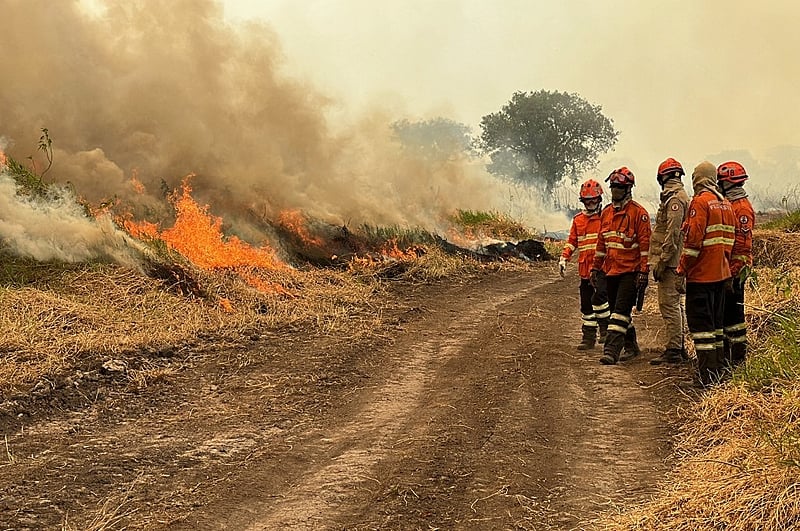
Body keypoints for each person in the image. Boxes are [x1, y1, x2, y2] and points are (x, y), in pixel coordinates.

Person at [676, 161, 735, 387]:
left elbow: (692, 242)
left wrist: (682, 269)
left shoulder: (700, 203)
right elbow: (730, 242)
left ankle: (706, 377)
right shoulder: (726, 204)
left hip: (701, 276)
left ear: (698, 178)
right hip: (721, 275)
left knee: (702, 330)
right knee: (717, 328)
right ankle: (719, 372)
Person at [591, 167, 651, 365]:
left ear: (628, 189)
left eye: (620, 187)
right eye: (613, 186)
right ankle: (632, 346)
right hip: (611, 271)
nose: (615, 190)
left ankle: (611, 351)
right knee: (618, 311)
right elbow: (601, 244)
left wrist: (643, 272)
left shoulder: (639, 214)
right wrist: (595, 267)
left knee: (619, 313)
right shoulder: (606, 212)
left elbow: (645, 247)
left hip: (631, 272)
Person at [649, 158, 690, 365]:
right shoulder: (677, 197)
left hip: (671, 263)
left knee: (669, 305)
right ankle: (678, 346)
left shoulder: (674, 200)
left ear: (662, 177)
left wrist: (662, 261)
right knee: (676, 305)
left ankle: (674, 350)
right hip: (675, 262)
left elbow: (672, 234)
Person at [559, 179, 610, 350]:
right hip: (584, 271)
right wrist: (564, 258)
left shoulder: (606, 218)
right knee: (586, 306)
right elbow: (572, 241)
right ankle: (588, 338)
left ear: (599, 199)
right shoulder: (578, 220)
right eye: (587, 200)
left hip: (602, 269)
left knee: (601, 299)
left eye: (593, 200)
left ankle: (605, 331)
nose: (590, 203)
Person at [717, 161, 755, 367]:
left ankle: (738, 359)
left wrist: (731, 274)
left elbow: (742, 247)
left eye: (720, 182)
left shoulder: (741, 209)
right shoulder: (730, 204)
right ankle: (726, 357)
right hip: (726, 269)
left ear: (728, 184)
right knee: (725, 315)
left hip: (735, 271)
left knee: (735, 317)